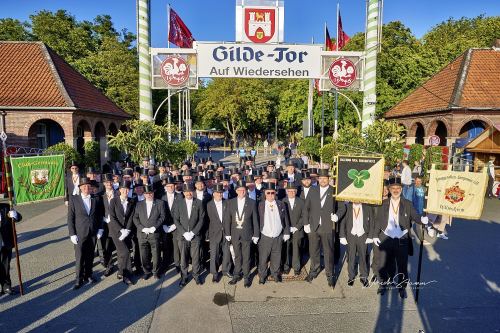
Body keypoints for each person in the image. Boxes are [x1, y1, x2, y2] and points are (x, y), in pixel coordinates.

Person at [372, 177, 433, 299]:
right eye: (393, 188)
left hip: (402, 239)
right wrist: (374, 235)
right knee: (383, 264)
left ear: (401, 189)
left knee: (402, 265)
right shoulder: (383, 204)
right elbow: (377, 221)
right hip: (386, 237)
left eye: (398, 188)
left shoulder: (408, 204)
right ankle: (383, 284)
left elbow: (415, 216)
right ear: (389, 189)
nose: (395, 190)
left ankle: (401, 287)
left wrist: (422, 219)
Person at [303, 169, 346, 287]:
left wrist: (337, 216)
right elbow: (306, 208)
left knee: (328, 252)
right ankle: (314, 270)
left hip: (327, 226)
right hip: (313, 226)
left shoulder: (334, 191)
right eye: (320, 178)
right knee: (313, 250)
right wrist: (306, 223)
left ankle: (329, 274)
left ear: (329, 179)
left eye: (325, 178)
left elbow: (342, 208)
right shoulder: (313, 190)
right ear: (317, 179)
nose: (322, 180)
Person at [67, 177, 104, 290]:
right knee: (79, 257)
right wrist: (72, 233)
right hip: (79, 233)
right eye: (84, 186)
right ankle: (78, 279)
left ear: (91, 188)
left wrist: (100, 229)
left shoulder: (96, 198)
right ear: (80, 188)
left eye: (88, 186)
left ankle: (89, 274)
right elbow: (70, 218)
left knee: (89, 256)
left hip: (92, 232)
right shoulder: (74, 200)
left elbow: (100, 216)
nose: (86, 188)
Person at [224, 180, 259, 288]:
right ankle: (236, 275)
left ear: (246, 191)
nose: (241, 192)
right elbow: (227, 219)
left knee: (247, 256)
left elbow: (255, 220)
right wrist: (227, 232)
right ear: (236, 191)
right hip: (234, 234)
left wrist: (256, 234)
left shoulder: (252, 202)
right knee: (237, 256)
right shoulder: (231, 202)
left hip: (247, 233)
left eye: (243, 190)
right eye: (239, 190)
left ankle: (246, 277)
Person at [173, 183, 205, 287]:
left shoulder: (199, 203)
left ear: (193, 192)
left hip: (195, 236)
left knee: (196, 258)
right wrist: (184, 232)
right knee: (183, 258)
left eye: (190, 191)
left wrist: (193, 232)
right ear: (183, 192)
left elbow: (201, 219)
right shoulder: (178, 203)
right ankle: (184, 277)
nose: (188, 193)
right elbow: (176, 220)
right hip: (182, 236)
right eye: (186, 191)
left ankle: (196, 275)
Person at [257, 183, 290, 284]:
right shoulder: (260, 205)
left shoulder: (281, 204)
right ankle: (262, 276)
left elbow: (285, 219)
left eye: (272, 193)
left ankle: (275, 274)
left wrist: (286, 232)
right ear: (265, 194)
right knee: (263, 258)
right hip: (265, 236)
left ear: (275, 193)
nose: (271, 195)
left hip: (278, 236)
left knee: (276, 256)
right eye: (268, 193)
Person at [133, 184, 166, 280]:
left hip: (154, 233)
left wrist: (154, 227)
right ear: (144, 194)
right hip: (142, 233)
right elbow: (135, 217)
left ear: (153, 193)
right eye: (146, 193)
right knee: (144, 254)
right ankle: (146, 271)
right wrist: (141, 228)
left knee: (156, 253)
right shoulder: (139, 204)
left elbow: (162, 217)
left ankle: (155, 271)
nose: (149, 195)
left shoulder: (160, 203)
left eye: (150, 193)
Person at [339, 202, 373, 287]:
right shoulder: (347, 207)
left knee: (363, 256)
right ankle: (351, 276)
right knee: (351, 256)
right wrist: (342, 235)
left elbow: (372, 222)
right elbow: (342, 222)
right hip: (351, 235)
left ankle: (364, 277)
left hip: (363, 235)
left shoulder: (367, 207)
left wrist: (370, 236)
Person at [109, 180, 136, 285]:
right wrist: (121, 229)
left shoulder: (131, 201)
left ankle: (120, 271)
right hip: (116, 231)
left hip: (127, 231)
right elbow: (112, 217)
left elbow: (130, 217)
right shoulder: (113, 201)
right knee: (126, 252)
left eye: (127, 189)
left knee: (121, 253)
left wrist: (127, 229)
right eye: (123, 189)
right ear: (119, 190)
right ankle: (127, 275)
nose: (125, 191)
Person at [206, 184, 232, 283]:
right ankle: (215, 273)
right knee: (214, 255)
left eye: (221, 193)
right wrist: (208, 235)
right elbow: (208, 220)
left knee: (226, 253)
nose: (219, 194)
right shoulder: (209, 204)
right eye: (217, 193)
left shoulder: (227, 203)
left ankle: (226, 270)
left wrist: (229, 232)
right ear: (213, 194)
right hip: (214, 233)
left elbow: (230, 218)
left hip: (226, 232)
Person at [282, 183, 305, 276]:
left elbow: (304, 216)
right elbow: (281, 217)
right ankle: (286, 267)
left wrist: (297, 227)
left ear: (296, 192)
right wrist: (286, 228)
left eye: (293, 191)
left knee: (296, 249)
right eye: (289, 191)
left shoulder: (301, 201)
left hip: (297, 230)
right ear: (286, 192)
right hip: (286, 230)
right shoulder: (282, 201)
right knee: (286, 248)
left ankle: (296, 267)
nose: (291, 193)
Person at [160, 176, 180, 272]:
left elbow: (181, 212)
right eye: (168, 186)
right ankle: (165, 263)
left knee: (176, 246)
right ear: (165, 187)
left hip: (176, 226)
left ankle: (177, 263)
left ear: (174, 186)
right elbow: (159, 212)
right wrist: (163, 225)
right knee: (166, 245)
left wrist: (175, 224)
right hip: (165, 226)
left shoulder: (180, 196)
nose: (170, 188)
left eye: (172, 186)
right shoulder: (161, 197)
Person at [0, 204, 21, 295]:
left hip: (5, 242)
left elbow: (19, 217)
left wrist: (15, 215)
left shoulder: (6, 207)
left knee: (5, 265)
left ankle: (6, 286)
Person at [98, 174, 117, 276]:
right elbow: (98, 210)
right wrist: (103, 218)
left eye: (110, 182)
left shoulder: (118, 193)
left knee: (119, 245)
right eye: (106, 182)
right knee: (107, 246)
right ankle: (110, 265)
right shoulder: (101, 196)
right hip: (105, 224)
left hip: (117, 224)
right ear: (104, 184)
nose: (109, 184)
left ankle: (123, 267)